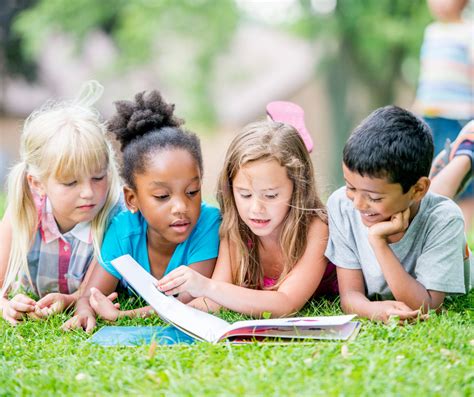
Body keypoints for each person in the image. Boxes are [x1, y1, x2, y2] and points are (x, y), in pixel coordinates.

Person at [63, 90, 221, 332]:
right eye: (162, 196)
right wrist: (85, 311)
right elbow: (91, 294)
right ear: (132, 199)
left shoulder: (208, 223)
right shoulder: (123, 230)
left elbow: (185, 301)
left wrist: (122, 316)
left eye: (192, 192)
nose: (181, 207)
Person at [156, 119, 338, 318]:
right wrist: (156, 312)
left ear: (297, 189)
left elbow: (286, 303)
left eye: (270, 195)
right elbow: (215, 299)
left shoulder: (315, 227)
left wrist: (206, 286)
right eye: (244, 194)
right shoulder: (236, 228)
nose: (256, 208)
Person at [325, 106, 472, 322]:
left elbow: (427, 306)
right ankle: (457, 158)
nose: (357, 204)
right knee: (429, 200)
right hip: (415, 196)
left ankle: (465, 156)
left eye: (373, 197)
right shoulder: (341, 204)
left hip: (428, 209)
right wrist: (374, 310)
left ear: (418, 189)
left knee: (437, 207)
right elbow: (350, 295)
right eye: (350, 187)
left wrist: (379, 242)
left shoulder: (445, 219)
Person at [0, 81, 122, 325]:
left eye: (98, 177)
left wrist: (68, 300)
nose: (88, 192)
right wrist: (7, 306)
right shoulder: (24, 211)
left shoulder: (115, 217)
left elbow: (91, 294)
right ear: (37, 183)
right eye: (70, 183)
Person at [413, 0, 474, 230]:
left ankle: (465, 232)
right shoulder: (432, 32)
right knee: (432, 172)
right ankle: (435, 227)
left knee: (463, 173)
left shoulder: (468, 32)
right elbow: (426, 75)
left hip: (458, 115)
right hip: (429, 115)